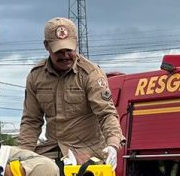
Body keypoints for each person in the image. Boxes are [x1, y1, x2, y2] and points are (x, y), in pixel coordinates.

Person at [18, 17, 124, 167]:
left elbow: (106, 114)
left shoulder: (90, 74)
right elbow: (31, 121)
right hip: (52, 151)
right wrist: (22, 155)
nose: (65, 56)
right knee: (29, 173)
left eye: (69, 50)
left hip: (87, 152)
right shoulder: (36, 76)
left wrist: (112, 144)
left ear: (76, 44)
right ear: (46, 46)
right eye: (59, 51)